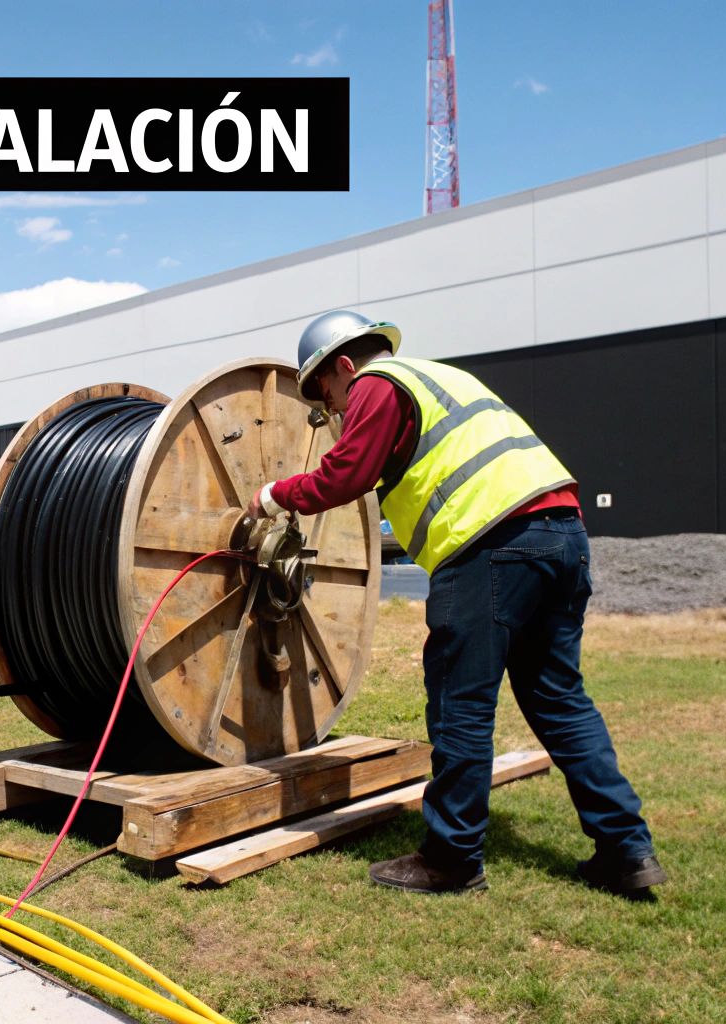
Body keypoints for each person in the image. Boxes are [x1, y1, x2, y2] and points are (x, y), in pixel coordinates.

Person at [247, 310, 665, 895]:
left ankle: (452, 857)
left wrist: (273, 496)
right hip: (563, 536)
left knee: (460, 705)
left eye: (328, 397)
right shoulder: (442, 379)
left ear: (343, 365)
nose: (336, 412)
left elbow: (346, 475)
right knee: (560, 701)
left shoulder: (376, 384)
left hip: (490, 546)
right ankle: (626, 851)